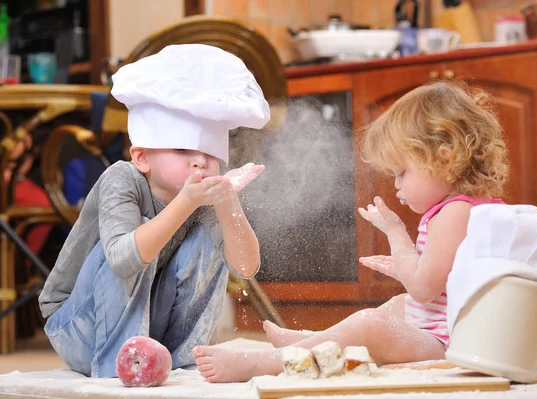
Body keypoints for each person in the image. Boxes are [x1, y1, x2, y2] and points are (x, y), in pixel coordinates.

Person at [192, 80, 510, 383]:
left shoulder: (455, 213)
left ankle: (271, 363)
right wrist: (407, 269)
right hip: (450, 330)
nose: (397, 184)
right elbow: (444, 283)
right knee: (397, 306)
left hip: (447, 343)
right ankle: (317, 340)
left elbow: (424, 291)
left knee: (370, 323)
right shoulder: (469, 207)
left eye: (402, 172)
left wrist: (397, 234)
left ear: (444, 160)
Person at [38, 44, 271, 378]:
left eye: (209, 153)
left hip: (150, 326)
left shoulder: (204, 195)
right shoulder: (122, 179)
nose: (200, 161)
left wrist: (227, 202)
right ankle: (117, 367)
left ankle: (178, 360)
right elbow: (121, 259)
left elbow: (246, 266)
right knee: (141, 237)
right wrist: (186, 202)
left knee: (207, 239)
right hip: (76, 325)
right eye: (182, 149)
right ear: (142, 158)